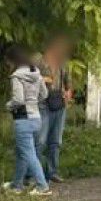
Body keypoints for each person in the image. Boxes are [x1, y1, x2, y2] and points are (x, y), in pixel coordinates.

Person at [3, 45, 51, 196]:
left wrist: (8, 106)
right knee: (22, 152)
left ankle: (42, 186)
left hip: (23, 119)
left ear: (13, 60)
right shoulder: (36, 73)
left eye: (8, 62)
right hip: (36, 118)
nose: (8, 65)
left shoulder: (17, 76)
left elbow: (18, 99)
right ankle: (16, 185)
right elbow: (44, 95)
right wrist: (33, 102)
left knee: (29, 154)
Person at [37, 38, 72, 183]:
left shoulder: (63, 63)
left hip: (59, 102)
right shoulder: (39, 62)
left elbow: (68, 83)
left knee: (55, 140)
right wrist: (45, 79)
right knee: (40, 140)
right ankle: (36, 173)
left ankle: (52, 172)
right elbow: (33, 79)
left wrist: (68, 94)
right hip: (43, 103)